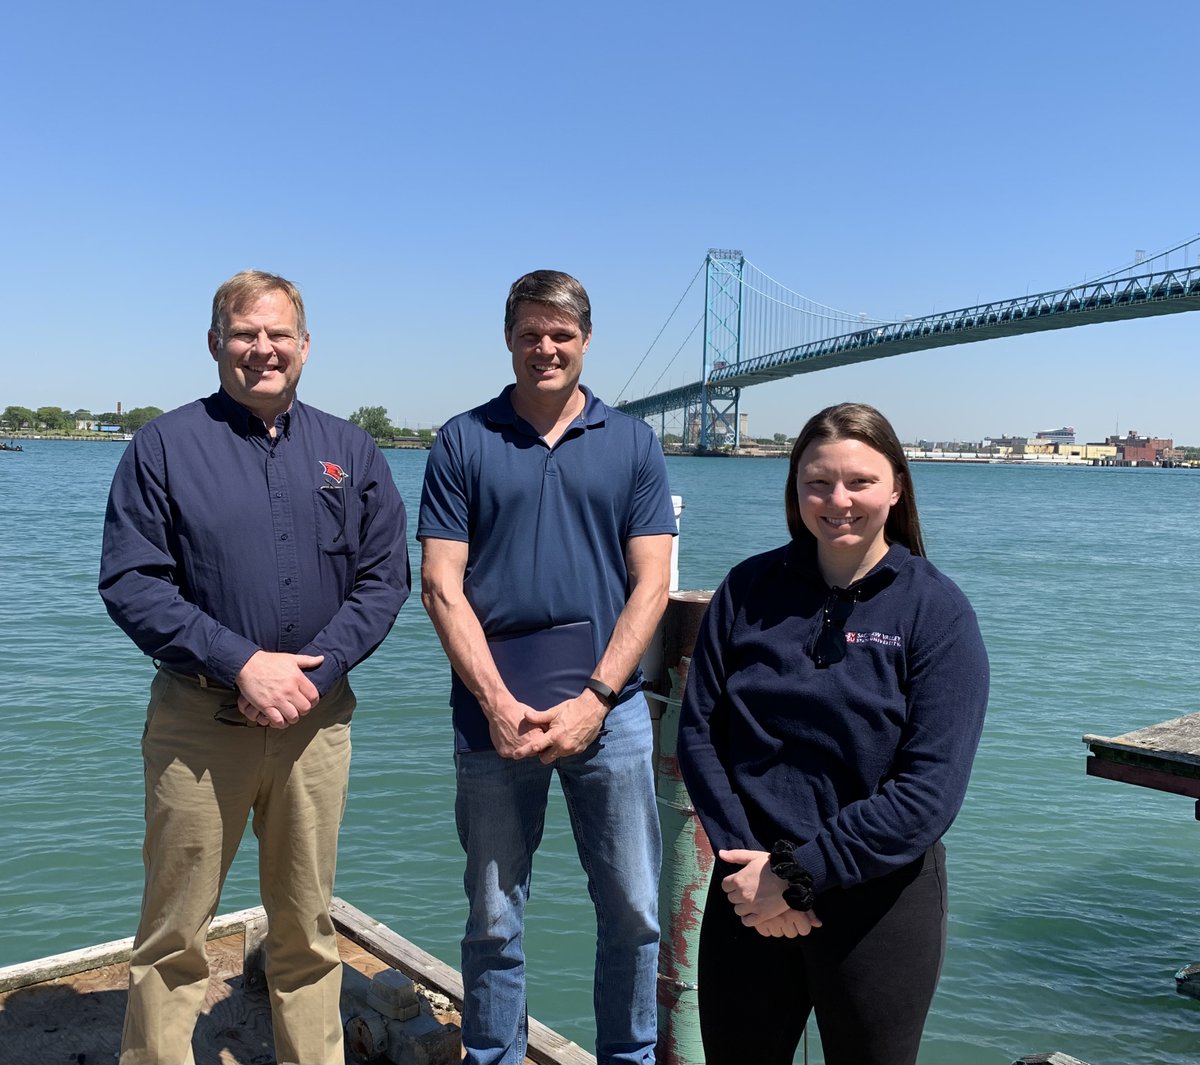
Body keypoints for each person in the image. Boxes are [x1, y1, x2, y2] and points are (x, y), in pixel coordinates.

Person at [99, 270, 410, 1065]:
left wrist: (317, 668)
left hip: (317, 724)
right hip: (199, 725)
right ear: (215, 345)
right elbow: (131, 581)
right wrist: (241, 662)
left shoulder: (353, 450)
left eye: (278, 335)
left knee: (308, 928)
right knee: (173, 934)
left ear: (304, 347)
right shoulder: (162, 447)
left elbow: (385, 579)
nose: (261, 349)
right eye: (244, 334)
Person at [676, 402, 989, 1065]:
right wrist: (747, 866)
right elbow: (702, 734)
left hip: (876, 905)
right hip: (747, 889)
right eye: (818, 481)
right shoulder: (747, 590)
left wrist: (798, 875)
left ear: (897, 487)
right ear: (795, 489)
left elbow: (928, 791)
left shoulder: (937, 612)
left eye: (860, 481)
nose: (837, 499)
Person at [418, 269, 677, 1065]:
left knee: (633, 908)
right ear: (508, 338)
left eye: (561, 333)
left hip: (614, 713)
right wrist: (496, 701)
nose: (546, 348)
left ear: (586, 340)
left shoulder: (633, 442)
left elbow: (654, 582)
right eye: (531, 332)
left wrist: (598, 697)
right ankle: (493, 1054)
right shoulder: (463, 439)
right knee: (494, 914)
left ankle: (627, 1058)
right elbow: (438, 582)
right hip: (492, 715)